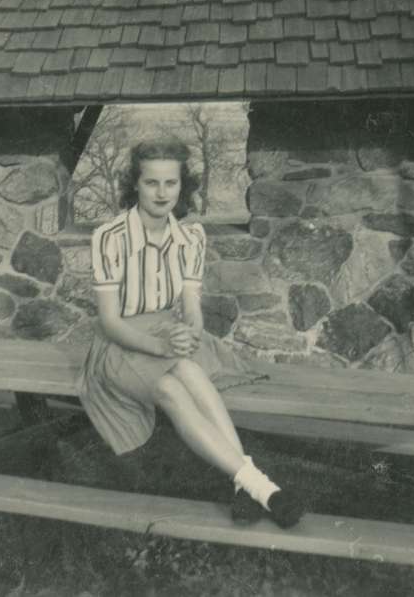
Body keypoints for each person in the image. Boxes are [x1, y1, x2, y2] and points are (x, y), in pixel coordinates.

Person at [76, 138, 304, 528]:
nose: (162, 193)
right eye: (152, 183)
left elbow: (192, 309)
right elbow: (109, 323)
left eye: (171, 183)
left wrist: (190, 334)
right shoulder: (109, 237)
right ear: (135, 184)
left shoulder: (191, 239)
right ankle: (262, 487)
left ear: (183, 186)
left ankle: (245, 487)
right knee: (169, 388)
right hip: (122, 344)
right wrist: (162, 345)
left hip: (168, 330)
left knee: (190, 371)